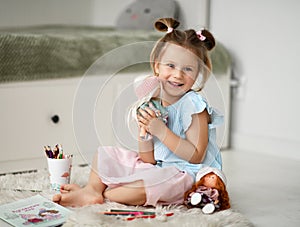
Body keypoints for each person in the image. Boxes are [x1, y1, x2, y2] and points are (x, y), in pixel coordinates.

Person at [52, 17, 223, 207]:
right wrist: (145, 135)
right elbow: (148, 160)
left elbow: (196, 155)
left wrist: (161, 131)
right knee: (105, 154)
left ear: (198, 72)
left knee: (146, 186)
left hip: (185, 175)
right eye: (171, 66)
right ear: (157, 66)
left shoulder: (193, 105)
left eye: (188, 69)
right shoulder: (154, 101)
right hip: (157, 168)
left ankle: (109, 193)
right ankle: (92, 191)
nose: (178, 74)